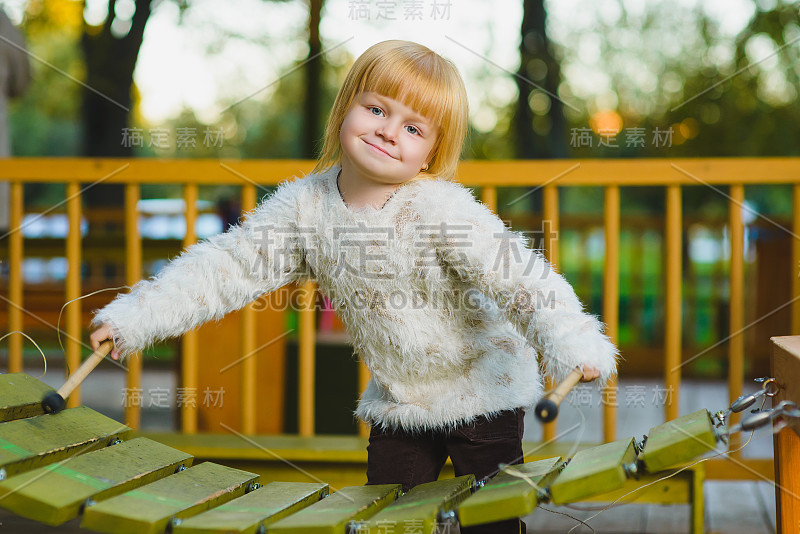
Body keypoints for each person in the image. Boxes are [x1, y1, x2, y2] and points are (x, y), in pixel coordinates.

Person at [90, 40, 618, 533]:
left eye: (415, 128)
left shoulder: (441, 210)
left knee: (493, 519)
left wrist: (572, 340)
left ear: (432, 154)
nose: (390, 131)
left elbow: (520, 277)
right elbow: (225, 267)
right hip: (401, 398)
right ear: (347, 106)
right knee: (386, 518)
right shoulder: (304, 207)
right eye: (377, 109)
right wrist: (135, 318)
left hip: (484, 390)